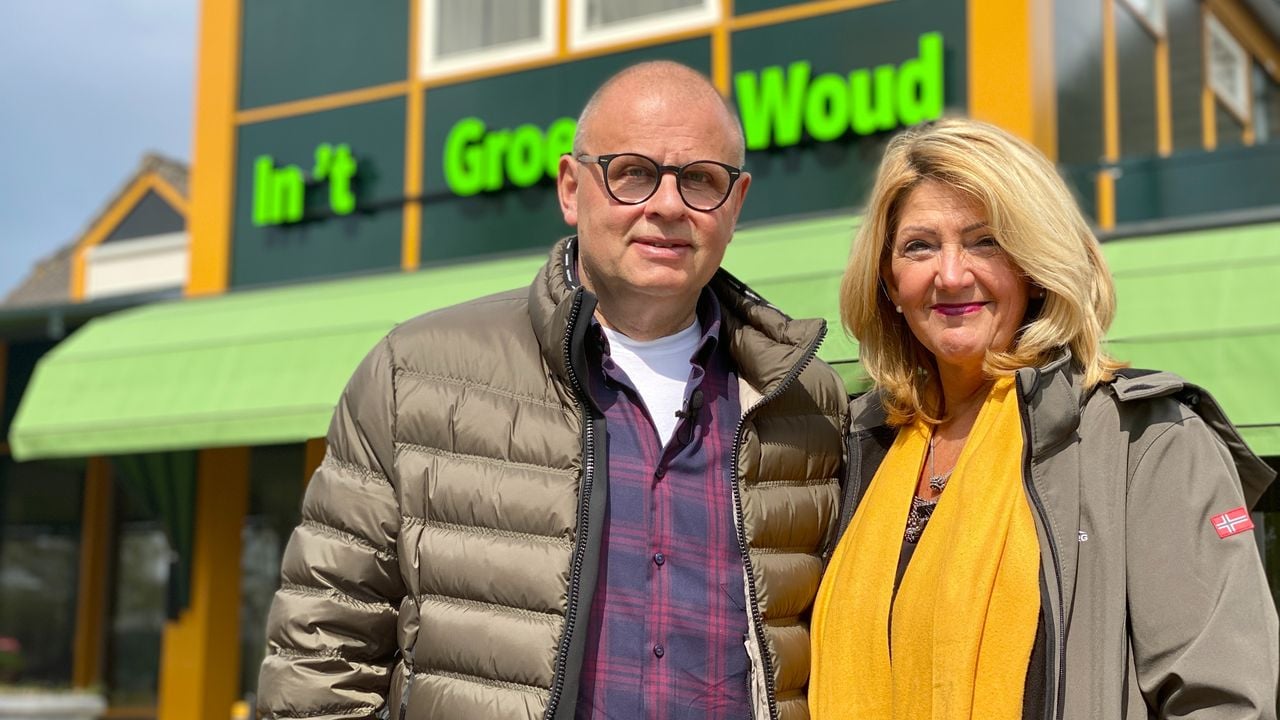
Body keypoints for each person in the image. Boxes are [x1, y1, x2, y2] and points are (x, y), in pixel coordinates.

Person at [257, 61, 846, 720]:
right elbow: (322, 660)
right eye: (633, 173)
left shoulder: (805, 406)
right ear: (571, 188)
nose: (667, 205)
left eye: (701, 180)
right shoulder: (415, 378)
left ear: (735, 204)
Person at [809, 118, 1278, 719]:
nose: (950, 275)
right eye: (919, 246)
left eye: (985, 241)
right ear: (888, 281)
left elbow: (1221, 700)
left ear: (1034, 268)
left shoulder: (1146, 439)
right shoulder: (852, 444)